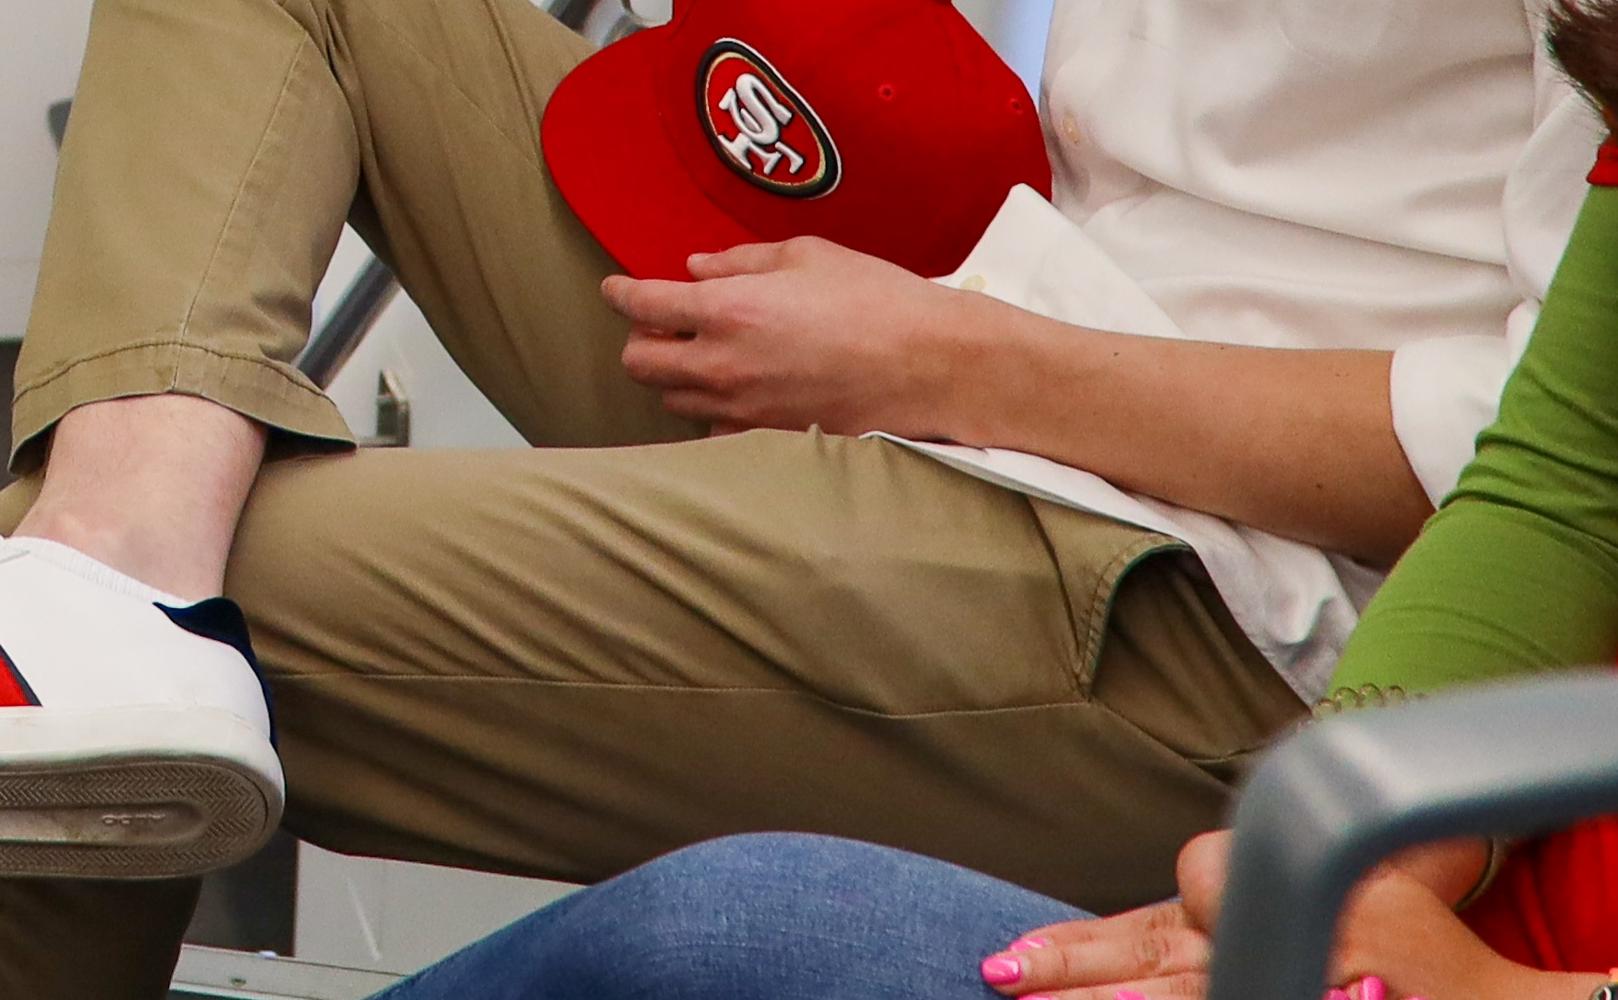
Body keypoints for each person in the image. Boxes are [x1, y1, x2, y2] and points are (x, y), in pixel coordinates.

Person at [0, 0, 1593, 996]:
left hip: (1216, 576)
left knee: (137, 633)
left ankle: (103, 608)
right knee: (95, 613)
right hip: (989, 302)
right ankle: (113, 566)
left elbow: (1534, 468)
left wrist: (956, 363)